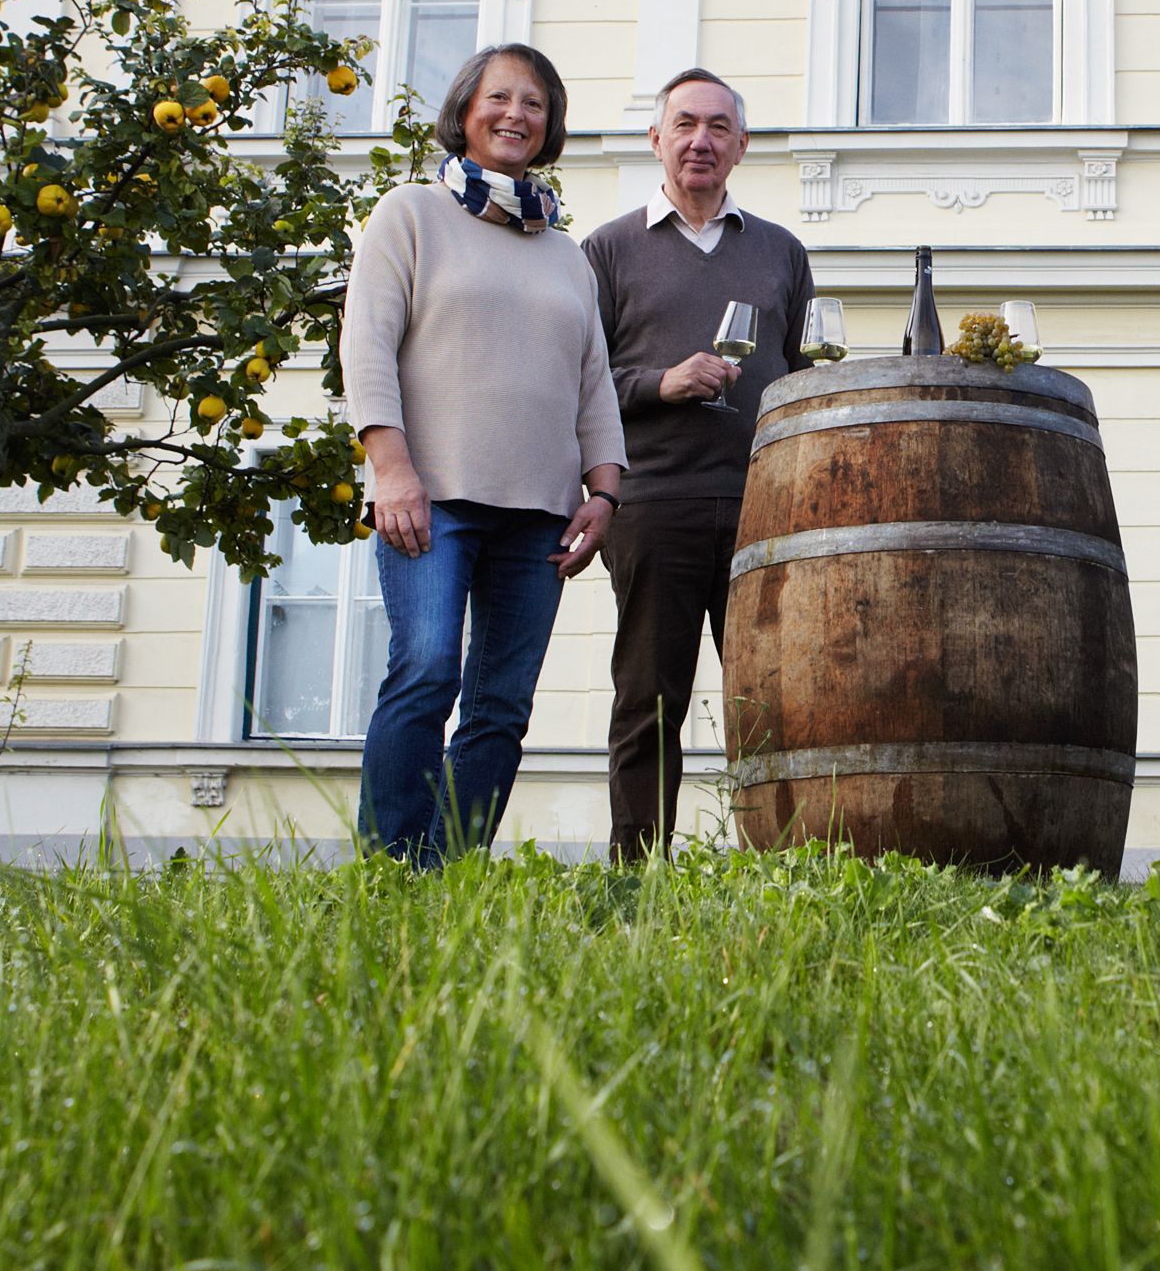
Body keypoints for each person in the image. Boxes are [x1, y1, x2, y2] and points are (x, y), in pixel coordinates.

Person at [340, 44, 626, 867]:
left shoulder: (565, 252)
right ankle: (392, 871)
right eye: (498, 97)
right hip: (432, 497)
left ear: (551, 125)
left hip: (538, 512)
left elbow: (594, 382)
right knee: (427, 671)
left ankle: (446, 871)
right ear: (465, 111)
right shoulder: (410, 213)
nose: (515, 115)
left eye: (533, 102)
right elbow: (367, 347)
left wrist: (602, 493)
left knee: (500, 704)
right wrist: (390, 468)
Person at [581, 68, 815, 859]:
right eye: (684, 124)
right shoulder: (607, 250)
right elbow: (575, 385)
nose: (700, 141)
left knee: (776, 706)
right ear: (656, 140)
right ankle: (635, 874)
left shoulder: (781, 251)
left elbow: (802, 375)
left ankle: (788, 869)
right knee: (650, 701)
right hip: (653, 505)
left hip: (764, 511)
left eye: (718, 127)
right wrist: (661, 383)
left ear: (741, 146)